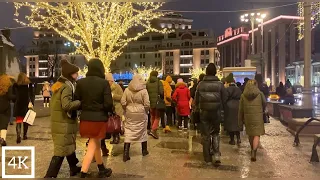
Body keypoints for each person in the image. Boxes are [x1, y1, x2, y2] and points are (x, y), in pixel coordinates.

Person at [75, 59, 113, 178]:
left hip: (85, 118)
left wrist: (86, 106)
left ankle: (101, 168)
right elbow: (108, 104)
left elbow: (77, 101)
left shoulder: (80, 83)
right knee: (93, 143)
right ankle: (84, 171)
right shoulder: (104, 83)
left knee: (96, 142)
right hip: (99, 119)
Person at [44, 59, 82, 178]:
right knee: (60, 150)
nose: (78, 75)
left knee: (67, 145)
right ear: (71, 74)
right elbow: (66, 105)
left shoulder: (59, 84)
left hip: (60, 121)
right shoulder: (67, 86)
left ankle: (73, 167)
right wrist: (80, 103)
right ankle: (50, 175)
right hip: (63, 122)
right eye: (76, 73)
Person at [195, 63, 227, 165]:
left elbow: (196, 100)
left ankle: (207, 157)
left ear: (206, 72)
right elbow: (224, 98)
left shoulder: (200, 84)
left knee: (205, 135)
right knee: (216, 133)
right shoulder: (220, 84)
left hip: (204, 112)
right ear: (215, 72)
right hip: (216, 112)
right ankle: (216, 155)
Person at [121, 74, 150, 162]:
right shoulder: (144, 91)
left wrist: (126, 109)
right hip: (141, 112)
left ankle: (126, 153)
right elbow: (147, 103)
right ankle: (144, 150)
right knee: (142, 130)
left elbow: (123, 101)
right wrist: (146, 111)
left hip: (130, 111)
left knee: (129, 130)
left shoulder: (127, 90)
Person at [239, 80, 266, 162]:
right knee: (256, 134)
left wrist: (240, 119)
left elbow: (241, 109)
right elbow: (264, 103)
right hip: (258, 116)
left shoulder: (243, 95)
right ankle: (253, 151)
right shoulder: (260, 94)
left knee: (250, 134)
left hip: (248, 118)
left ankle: (252, 148)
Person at [13, 72, 34, 144]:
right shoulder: (29, 85)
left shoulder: (15, 85)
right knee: (26, 121)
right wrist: (32, 103)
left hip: (18, 105)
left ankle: (18, 135)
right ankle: (24, 135)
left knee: (19, 121)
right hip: (26, 105)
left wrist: (15, 100)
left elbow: (13, 96)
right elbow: (32, 95)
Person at [104, 73, 124, 146]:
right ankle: (113, 137)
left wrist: (113, 96)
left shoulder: (117, 87)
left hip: (117, 108)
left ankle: (117, 137)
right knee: (111, 124)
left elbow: (122, 97)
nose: (109, 82)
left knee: (116, 123)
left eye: (109, 81)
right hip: (110, 108)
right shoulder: (105, 87)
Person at [224, 73, 242, 145]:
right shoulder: (238, 89)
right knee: (237, 123)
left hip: (229, 107)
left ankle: (232, 140)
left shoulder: (227, 89)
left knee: (230, 124)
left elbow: (225, 98)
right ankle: (238, 138)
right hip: (238, 106)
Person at [146, 71, 164, 139]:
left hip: (150, 102)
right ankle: (153, 130)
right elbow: (161, 92)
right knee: (157, 117)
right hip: (157, 102)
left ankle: (152, 129)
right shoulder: (159, 82)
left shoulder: (147, 83)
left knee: (152, 116)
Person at [0, 74, 15, 146]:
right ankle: (3, 138)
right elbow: (10, 97)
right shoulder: (9, 87)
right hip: (5, 107)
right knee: (4, 124)